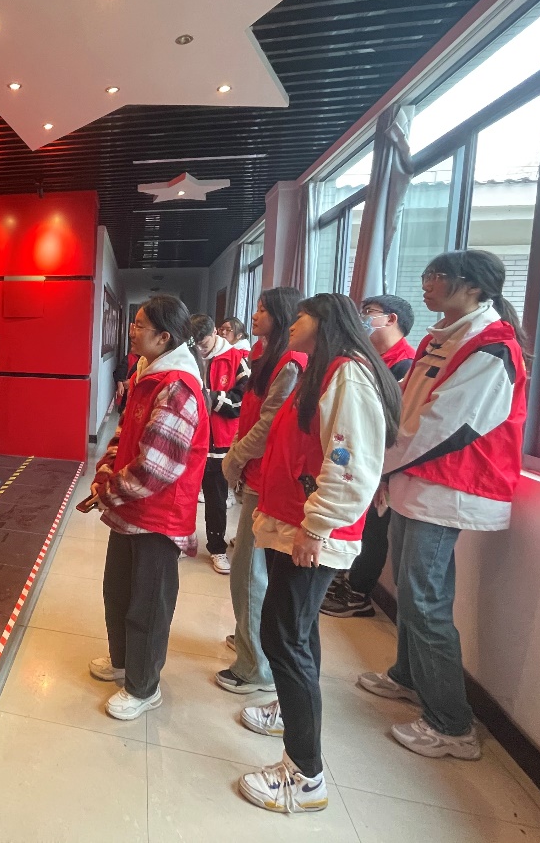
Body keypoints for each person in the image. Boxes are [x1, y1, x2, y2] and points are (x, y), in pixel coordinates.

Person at [236, 293, 401, 814]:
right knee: (297, 633)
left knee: (282, 636)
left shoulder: (349, 376)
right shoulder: (325, 371)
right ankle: (291, 714)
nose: (293, 323)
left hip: (309, 530)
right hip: (294, 522)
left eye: (303, 316)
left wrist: (317, 525)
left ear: (325, 322)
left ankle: (305, 775)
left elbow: (349, 463)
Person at [359, 250, 527, 761]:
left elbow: (445, 427)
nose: (426, 284)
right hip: (416, 480)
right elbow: (409, 404)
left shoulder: (492, 347)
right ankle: (408, 676)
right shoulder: (441, 338)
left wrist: (381, 464)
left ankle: (452, 725)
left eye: (437, 277)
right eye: (427, 274)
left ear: (472, 287)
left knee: (426, 599)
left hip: (448, 485)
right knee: (412, 591)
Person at [85, 296, 209, 721]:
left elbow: (158, 466)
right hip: (132, 509)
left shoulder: (177, 386)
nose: (132, 331)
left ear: (164, 337)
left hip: (158, 515)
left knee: (148, 605)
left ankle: (143, 687)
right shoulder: (147, 373)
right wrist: (105, 471)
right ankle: (123, 663)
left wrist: (109, 491)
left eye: (140, 325)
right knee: (118, 590)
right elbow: (124, 435)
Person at [217, 287, 305, 694]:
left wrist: (234, 457)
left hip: (267, 479)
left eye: (264, 310)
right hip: (257, 474)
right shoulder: (266, 356)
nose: (255, 316)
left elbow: (268, 425)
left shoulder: (291, 363)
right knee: (249, 570)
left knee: (248, 574)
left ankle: (254, 667)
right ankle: (250, 639)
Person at [322, 294, 416, 618]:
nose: (364, 317)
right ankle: (342, 579)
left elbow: (395, 418)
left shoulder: (405, 363)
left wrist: (385, 467)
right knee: (355, 522)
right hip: (360, 453)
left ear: (391, 319)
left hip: (383, 459)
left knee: (374, 528)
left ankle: (358, 593)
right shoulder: (369, 358)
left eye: (370, 312)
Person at [191, 314, 250, 574]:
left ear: (214, 332)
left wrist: (210, 397)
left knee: (216, 499)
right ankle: (181, 540)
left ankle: (217, 548)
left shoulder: (236, 359)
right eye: (195, 344)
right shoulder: (187, 355)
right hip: (190, 437)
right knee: (184, 494)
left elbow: (242, 401)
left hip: (219, 440)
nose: (199, 349)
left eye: (203, 343)